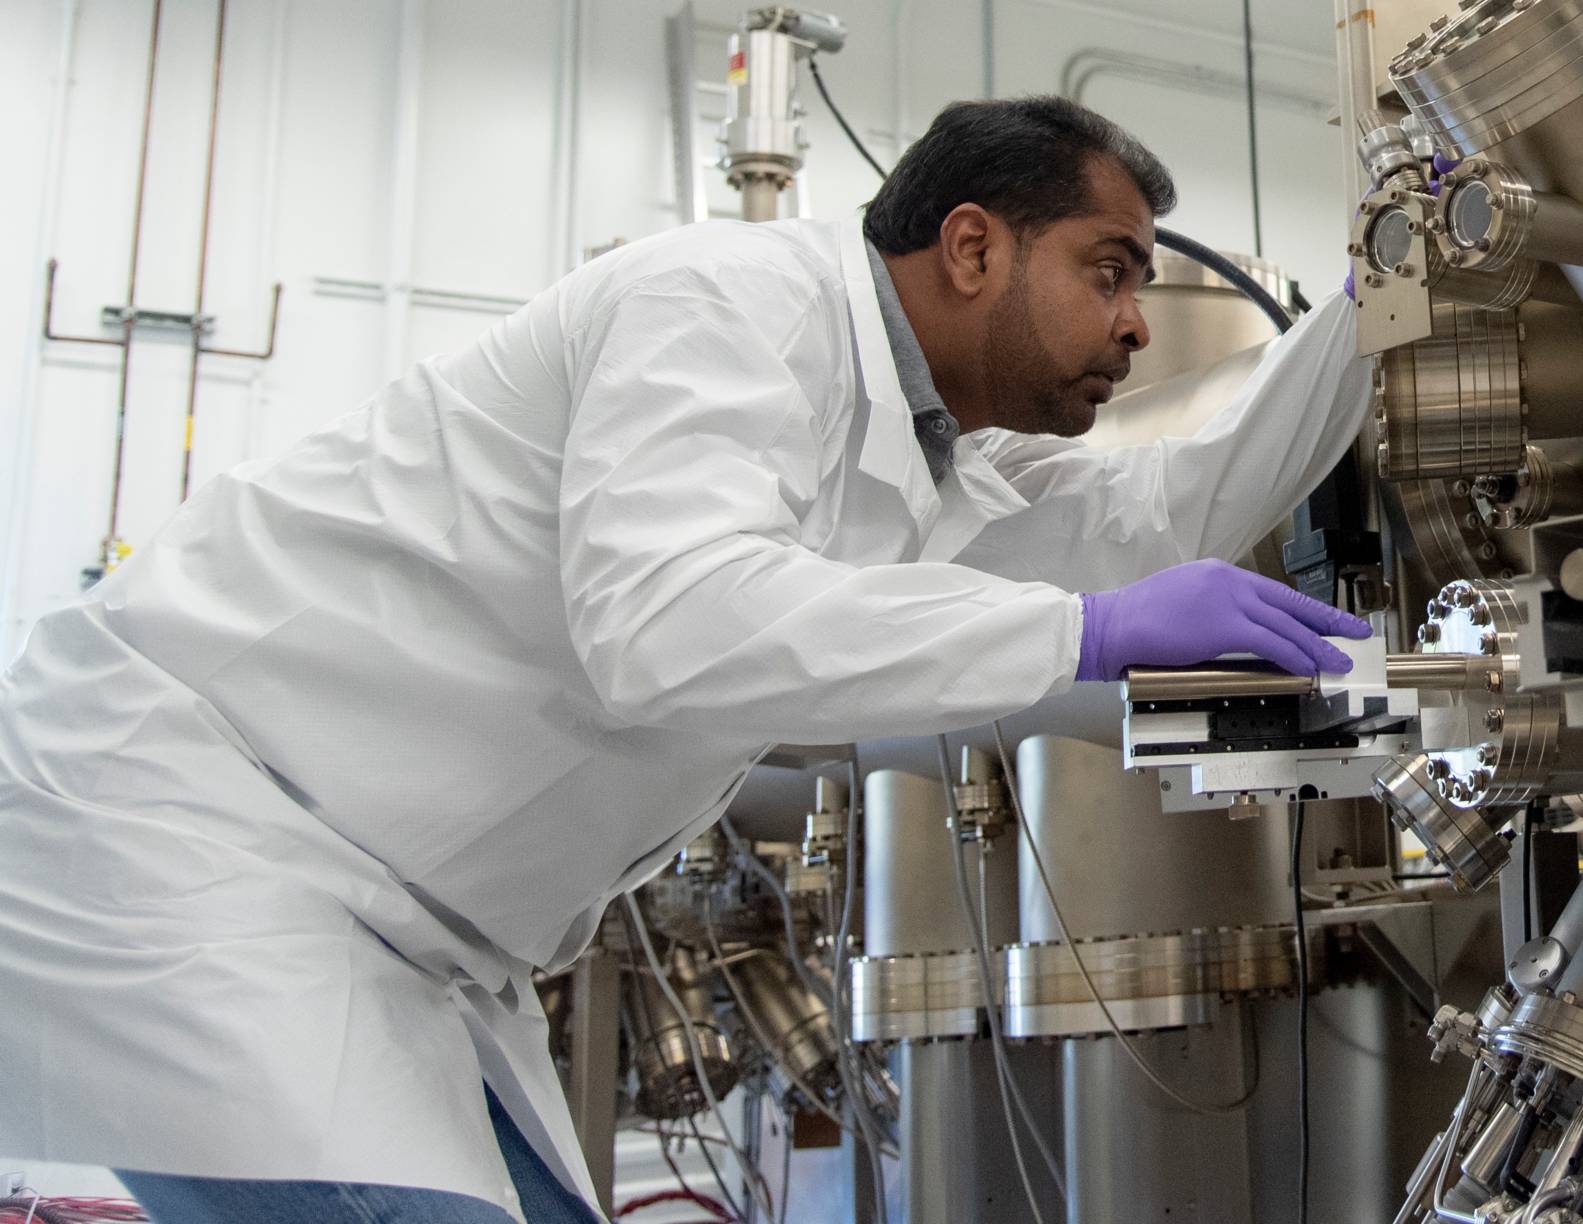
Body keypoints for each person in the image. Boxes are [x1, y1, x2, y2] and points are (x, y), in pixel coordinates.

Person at [0, 96, 1373, 1222]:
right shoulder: (731, 301)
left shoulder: (934, 455)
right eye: (1109, 269)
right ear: (971, 247)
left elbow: (1172, 508)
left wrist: (1392, 275)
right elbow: (667, 625)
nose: (1136, 322)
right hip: (192, 833)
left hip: (416, 944)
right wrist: (1091, 631)